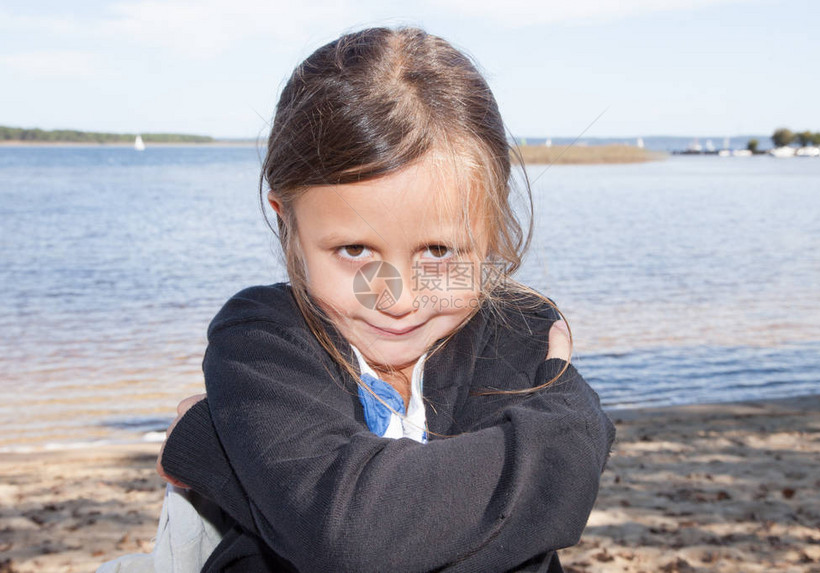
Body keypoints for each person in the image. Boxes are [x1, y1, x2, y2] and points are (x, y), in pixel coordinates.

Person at [101, 26, 615, 572]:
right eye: (353, 249)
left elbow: (359, 537)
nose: (398, 298)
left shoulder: (516, 330)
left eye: (439, 251)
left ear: (489, 230)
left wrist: (220, 454)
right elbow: (348, 535)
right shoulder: (261, 340)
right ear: (289, 223)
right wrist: (564, 448)